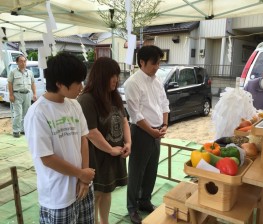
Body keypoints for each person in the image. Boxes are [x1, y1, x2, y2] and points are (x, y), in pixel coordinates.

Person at [24, 53, 95, 224]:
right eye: (78, 82)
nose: (81, 86)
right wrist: (81, 174)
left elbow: (83, 139)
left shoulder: (74, 104)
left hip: (82, 186)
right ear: (59, 83)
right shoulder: (38, 113)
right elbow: (47, 158)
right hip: (58, 196)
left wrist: (84, 179)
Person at [77, 57, 131, 224]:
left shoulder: (114, 96)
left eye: (117, 75)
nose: (116, 79)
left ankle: (104, 222)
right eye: (112, 75)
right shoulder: (87, 99)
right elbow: (91, 133)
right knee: (96, 194)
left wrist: (128, 143)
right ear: (100, 76)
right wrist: (110, 149)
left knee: (107, 191)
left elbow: (124, 121)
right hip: (96, 157)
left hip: (114, 154)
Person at [124, 45, 170, 224]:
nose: (157, 66)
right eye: (154, 63)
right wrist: (152, 131)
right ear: (141, 62)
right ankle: (132, 207)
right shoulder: (132, 83)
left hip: (157, 130)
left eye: (159, 62)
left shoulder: (156, 80)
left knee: (151, 169)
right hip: (142, 132)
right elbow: (135, 114)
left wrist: (165, 124)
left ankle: (145, 201)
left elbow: (164, 103)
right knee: (136, 171)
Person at [8, 55, 37, 137]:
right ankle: (16, 131)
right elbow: (9, 84)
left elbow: (33, 83)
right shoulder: (13, 72)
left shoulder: (30, 72)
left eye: (24, 61)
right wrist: (11, 95)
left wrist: (34, 94)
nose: (23, 63)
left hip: (27, 94)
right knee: (18, 113)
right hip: (17, 94)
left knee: (26, 113)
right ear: (17, 62)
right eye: (21, 61)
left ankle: (23, 129)